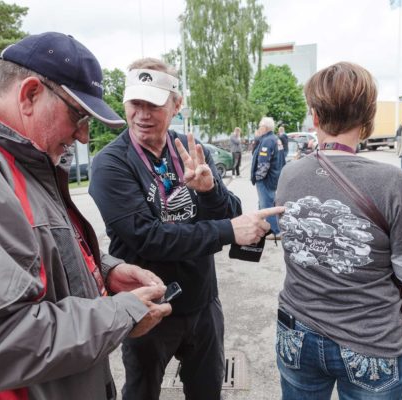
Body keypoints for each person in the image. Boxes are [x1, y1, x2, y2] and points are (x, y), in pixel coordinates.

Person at [0, 32, 172, 400]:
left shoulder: (23, 159)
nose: (81, 136)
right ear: (30, 94)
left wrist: (103, 272)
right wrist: (121, 314)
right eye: (77, 115)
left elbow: (35, 253)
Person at [88, 57, 284, 400]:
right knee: (142, 392)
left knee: (207, 391)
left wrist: (210, 190)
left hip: (203, 302)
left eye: (154, 103)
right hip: (148, 307)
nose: (142, 114)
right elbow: (146, 238)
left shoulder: (191, 150)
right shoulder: (110, 164)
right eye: (136, 103)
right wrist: (226, 231)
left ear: (176, 104)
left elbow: (230, 212)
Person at [275, 61, 402, 399]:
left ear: (315, 117)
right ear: (367, 120)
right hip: (369, 339)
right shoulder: (392, 182)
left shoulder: (289, 174)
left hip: (296, 329)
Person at [250, 116, 285, 240]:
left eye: (260, 126)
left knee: (267, 205)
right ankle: (262, 227)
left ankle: (275, 231)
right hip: (275, 177)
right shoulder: (274, 139)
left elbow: (264, 163)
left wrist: (258, 178)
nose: (259, 129)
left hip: (266, 179)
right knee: (264, 202)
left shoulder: (267, 140)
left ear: (264, 127)